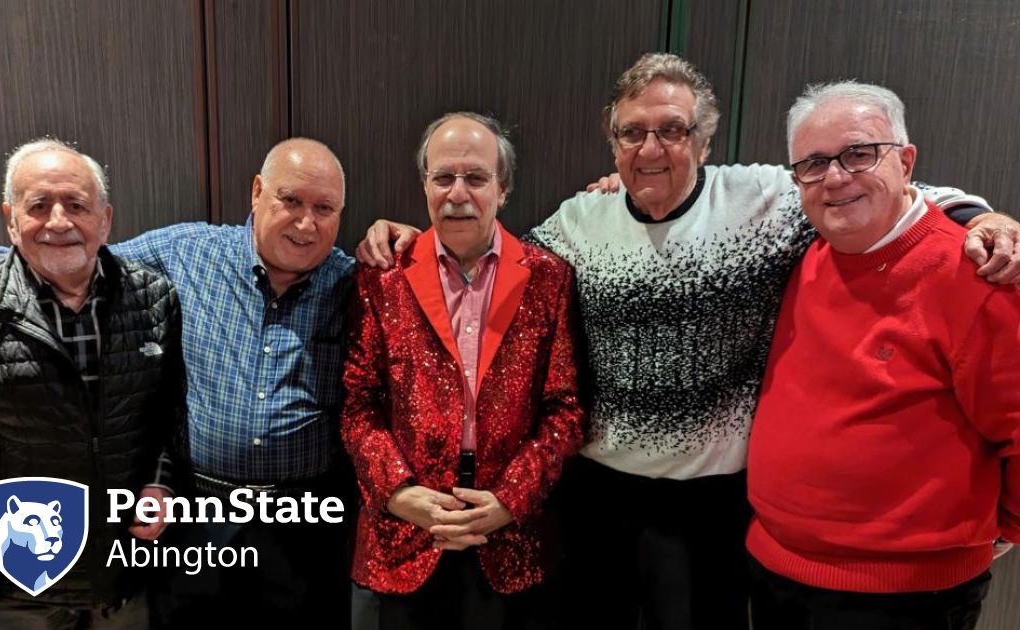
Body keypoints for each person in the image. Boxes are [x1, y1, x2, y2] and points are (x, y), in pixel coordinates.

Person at [355, 53, 1020, 630]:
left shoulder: (766, 199)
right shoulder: (577, 223)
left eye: (672, 130)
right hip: (598, 493)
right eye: (632, 133)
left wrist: (978, 217)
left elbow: (866, 193)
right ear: (613, 146)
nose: (650, 149)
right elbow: (487, 253)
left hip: (714, 505)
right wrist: (411, 240)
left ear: (704, 142)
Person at [0, 138, 355, 628]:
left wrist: (396, 237)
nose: (306, 223)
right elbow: (76, 252)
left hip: (306, 520)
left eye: (324, 208)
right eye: (291, 201)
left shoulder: (353, 281)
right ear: (257, 192)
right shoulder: (186, 251)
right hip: (199, 515)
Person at [745, 81, 1020, 630]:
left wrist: (997, 529)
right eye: (814, 164)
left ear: (906, 161)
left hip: (903, 597)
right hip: (775, 568)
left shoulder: (978, 275)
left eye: (859, 154)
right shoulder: (805, 251)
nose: (835, 178)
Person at [342, 112, 585, 630]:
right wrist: (400, 494)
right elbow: (358, 405)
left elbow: (564, 412)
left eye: (476, 177)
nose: (458, 194)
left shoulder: (549, 278)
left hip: (510, 538)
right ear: (424, 184)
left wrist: (510, 499)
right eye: (443, 177)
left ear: (504, 189)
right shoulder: (381, 276)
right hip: (402, 536)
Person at [0, 139, 183, 629]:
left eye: (76, 205)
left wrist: (160, 483)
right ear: (10, 219)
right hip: (18, 584)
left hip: (126, 575)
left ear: (105, 219)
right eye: (38, 206)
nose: (58, 222)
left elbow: (169, 415)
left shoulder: (154, 297)